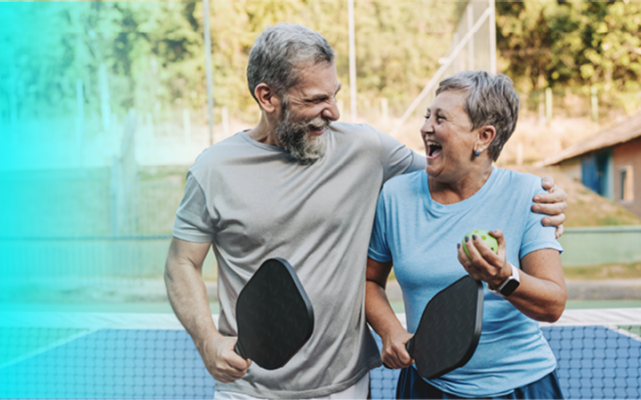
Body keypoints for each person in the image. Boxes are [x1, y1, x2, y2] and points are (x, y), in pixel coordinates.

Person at [164, 23, 568, 400]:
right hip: (248, 387)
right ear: (267, 97)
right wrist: (207, 340)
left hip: (347, 387)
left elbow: (460, 169)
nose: (334, 111)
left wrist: (547, 197)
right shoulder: (213, 170)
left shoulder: (366, 149)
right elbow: (181, 264)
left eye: (334, 95)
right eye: (317, 99)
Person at [364, 71, 567, 399]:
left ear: (484, 136)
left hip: (523, 387)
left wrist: (503, 278)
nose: (426, 127)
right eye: (427, 115)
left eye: (440, 118)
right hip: (427, 386)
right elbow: (369, 281)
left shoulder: (531, 194)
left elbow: (553, 304)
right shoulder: (395, 196)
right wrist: (390, 331)